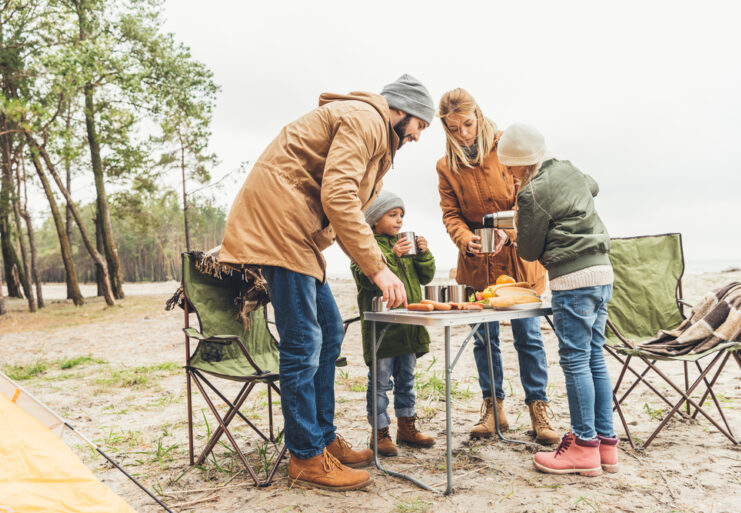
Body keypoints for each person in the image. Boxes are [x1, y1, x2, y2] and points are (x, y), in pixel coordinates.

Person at [219, 75, 436, 490]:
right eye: (420, 126)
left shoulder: (372, 132)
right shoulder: (366, 120)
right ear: (403, 110)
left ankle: (322, 438)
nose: (418, 136)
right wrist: (378, 267)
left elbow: (349, 199)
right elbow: (338, 196)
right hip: (280, 226)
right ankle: (305, 455)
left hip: (296, 232)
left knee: (330, 332)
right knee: (303, 342)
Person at [435, 88, 560, 445]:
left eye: (467, 124)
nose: (463, 134)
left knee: (528, 337)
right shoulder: (446, 165)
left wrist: (510, 230)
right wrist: (463, 238)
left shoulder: (507, 146)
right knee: (483, 340)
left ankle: (539, 408)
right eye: (453, 128)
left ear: (478, 114)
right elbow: (451, 214)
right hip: (477, 265)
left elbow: (531, 195)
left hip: (520, 260)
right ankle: (493, 408)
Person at [498, 122, 618, 477]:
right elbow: (592, 186)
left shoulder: (530, 193)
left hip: (573, 280)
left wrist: (519, 224)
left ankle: (583, 446)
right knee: (595, 357)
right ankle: (604, 445)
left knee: (575, 361)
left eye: (510, 167)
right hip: (602, 273)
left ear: (521, 163)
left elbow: (531, 251)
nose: (510, 174)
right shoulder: (569, 170)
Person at [351, 191, 436, 457]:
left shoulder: (404, 244)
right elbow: (364, 277)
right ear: (375, 220)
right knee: (380, 382)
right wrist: (390, 258)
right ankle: (380, 432)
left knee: (407, 380)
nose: (399, 220)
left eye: (402, 215)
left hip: (408, 329)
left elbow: (426, 276)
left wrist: (423, 253)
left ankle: (407, 426)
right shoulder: (367, 247)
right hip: (382, 332)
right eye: (393, 215)